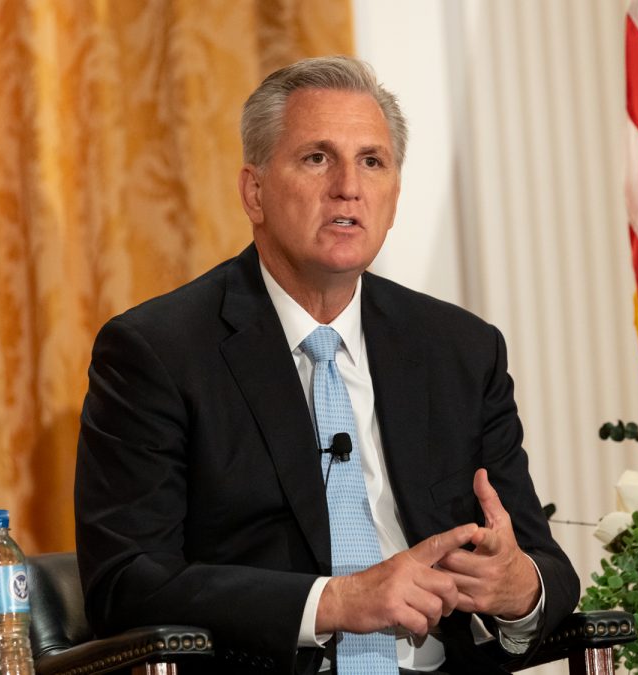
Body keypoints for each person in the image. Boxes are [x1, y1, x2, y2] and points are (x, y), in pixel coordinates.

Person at [74, 55, 579, 675]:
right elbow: (124, 583)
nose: (348, 186)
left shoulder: (460, 351)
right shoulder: (158, 352)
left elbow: (545, 564)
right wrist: (336, 602)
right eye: (317, 157)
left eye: (372, 161)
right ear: (254, 191)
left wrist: (517, 587)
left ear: (393, 198)